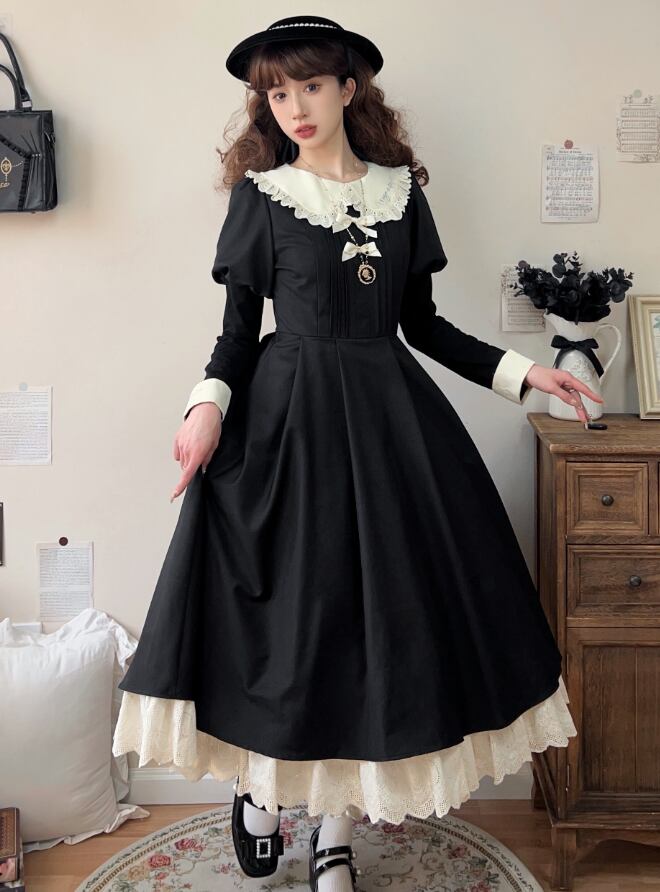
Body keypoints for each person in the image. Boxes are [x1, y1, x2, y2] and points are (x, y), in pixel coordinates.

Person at [112, 15, 600, 891]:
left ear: (348, 88)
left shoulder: (401, 194)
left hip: (388, 436)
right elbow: (236, 337)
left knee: (376, 638)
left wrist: (528, 374)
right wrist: (204, 410)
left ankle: (334, 834)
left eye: (309, 85)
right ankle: (264, 794)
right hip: (286, 433)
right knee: (293, 630)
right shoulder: (262, 199)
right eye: (276, 92)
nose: (294, 106)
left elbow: (424, 326)